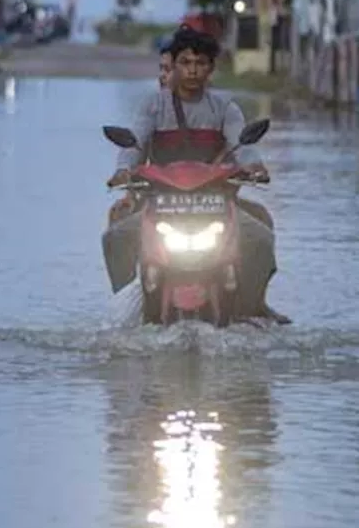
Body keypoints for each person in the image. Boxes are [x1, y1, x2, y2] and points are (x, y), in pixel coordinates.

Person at [105, 25, 288, 324]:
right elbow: (134, 143)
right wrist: (123, 171)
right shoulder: (153, 106)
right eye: (185, 63)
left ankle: (255, 304)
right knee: (116, 233)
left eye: (200, 63)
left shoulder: (224, 108)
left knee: (261, 235)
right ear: (173, 66)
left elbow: (242, 144)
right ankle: (124, 305)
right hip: (159, 203)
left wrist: (254, 166)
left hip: (216, 202)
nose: (192, 71)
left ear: (211, 69)